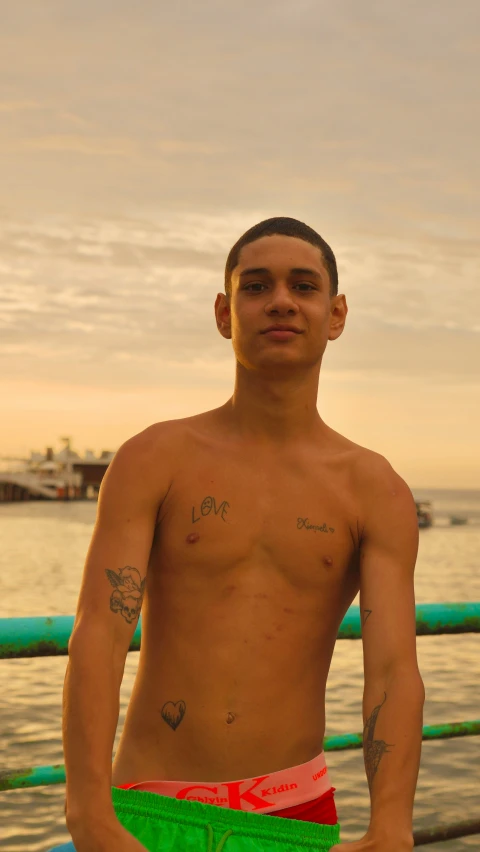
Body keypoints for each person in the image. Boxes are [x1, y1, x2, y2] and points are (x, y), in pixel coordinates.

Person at [49, 217, 425, 852]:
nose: (280, 300)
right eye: (257, 286)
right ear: (225, 313)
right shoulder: (156, 457)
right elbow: (100, 633)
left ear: (335, 315)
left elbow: (391, 669)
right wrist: (88, 811)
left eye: (303, 286)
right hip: (148, 806)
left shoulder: (373, 488)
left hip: (292, 812)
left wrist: (391, 824)